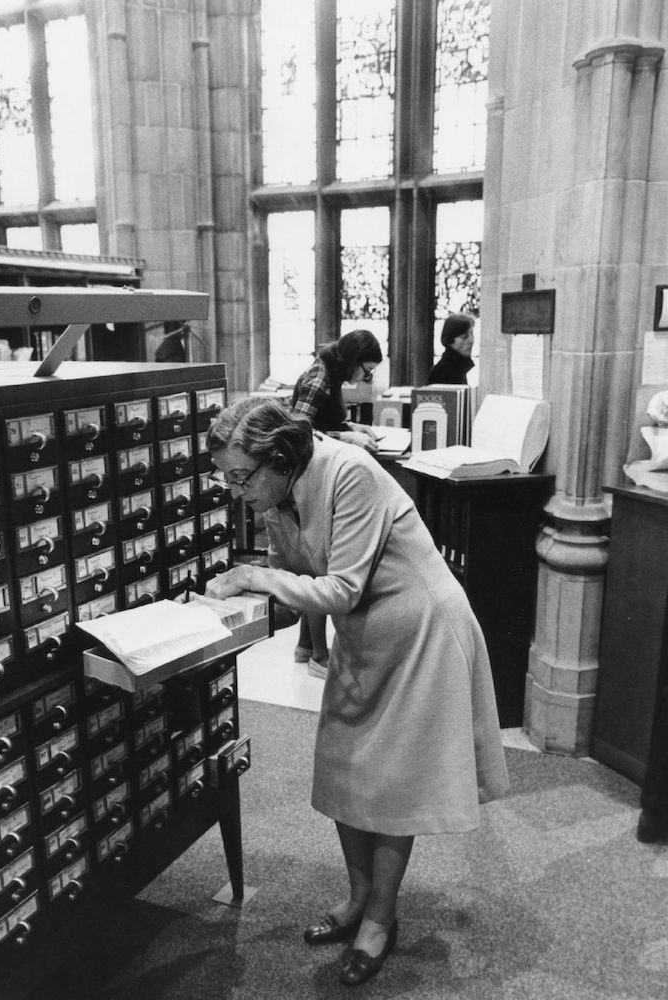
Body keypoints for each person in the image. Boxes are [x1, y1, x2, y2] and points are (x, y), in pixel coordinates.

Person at [204, 397, 509, 988]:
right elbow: (286, 572)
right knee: (345, 766)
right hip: (364, 635)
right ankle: (358, 895)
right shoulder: (276, 493)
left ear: (282, 457)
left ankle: (379, 918)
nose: (235, 489)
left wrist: (250, 578)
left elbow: (338, 587)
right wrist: (224, 613)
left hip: (421, 631)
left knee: (394, 782)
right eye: (227, 477)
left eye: (241, 476)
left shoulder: (351, 472)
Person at [290, 329, 383, 679]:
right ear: (354, 360)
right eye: (367, 369)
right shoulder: (318, 378)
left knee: (314, 563)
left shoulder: (331, 374)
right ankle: (319, 655)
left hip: (322, 472)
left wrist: (354, 426)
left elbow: (325, 420)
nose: (367, 377)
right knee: (318, 567)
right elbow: (299, 430)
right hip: (311, 477)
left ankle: (304, 646)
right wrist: (345, 437)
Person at [425, 311, 475, 385]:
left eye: (472, 333)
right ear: (450, 340)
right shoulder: (442, 372)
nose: (471, 340)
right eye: (464, 336)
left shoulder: (459, 367)